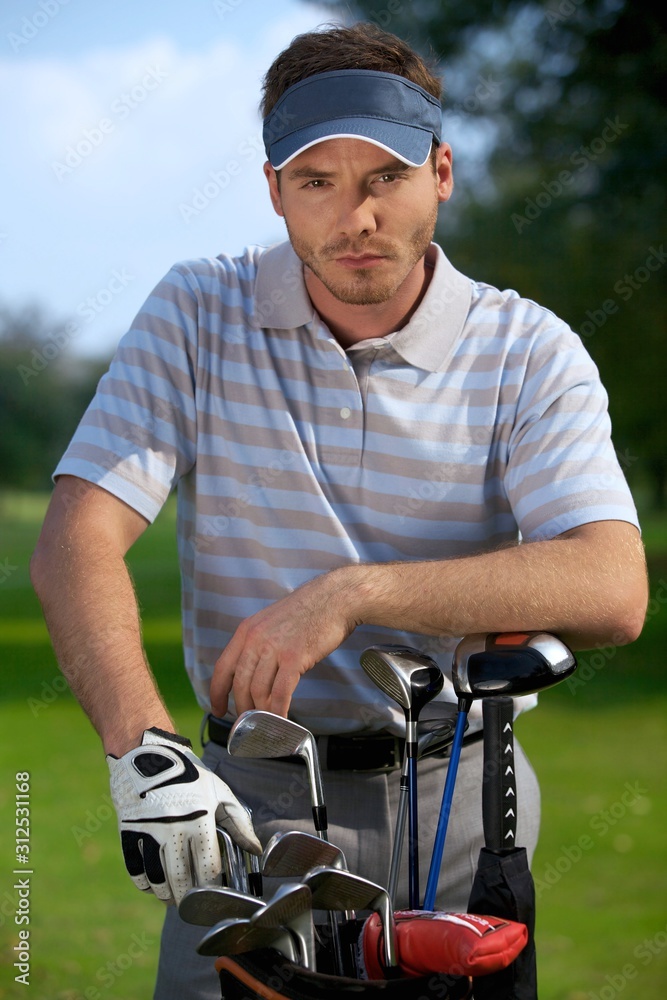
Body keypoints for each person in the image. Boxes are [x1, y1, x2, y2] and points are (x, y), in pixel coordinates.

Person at [31, 21, 648, 1000]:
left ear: (440, 173)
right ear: (274, 188)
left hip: (461, 800)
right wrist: (145, 751)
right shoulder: (196, 314)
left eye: (384, 177)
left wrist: (350, 594)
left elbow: (611, 585)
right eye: (316, 180)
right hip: (248, 806)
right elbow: (76, 542)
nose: (353, 217)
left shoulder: (528, 349)